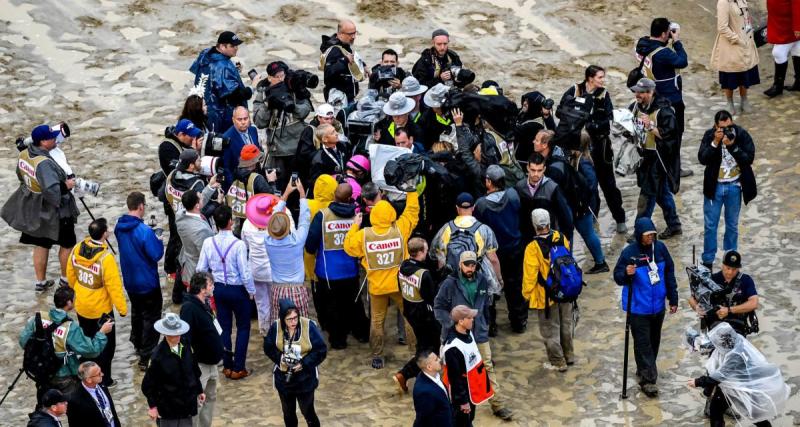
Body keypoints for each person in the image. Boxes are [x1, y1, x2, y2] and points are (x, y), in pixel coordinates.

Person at [343, 188, 420, 369]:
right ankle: (415, 352)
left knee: (377, 321)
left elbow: (348, 247)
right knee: (409, 318)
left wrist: (355, 224)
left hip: (377, 287)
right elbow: (412, 211)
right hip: (400, 285)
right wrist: (411, 192)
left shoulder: (364, 235)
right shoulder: (400, 229)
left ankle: (377, 355)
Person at [434, 252, 512, 421]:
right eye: (467, 265)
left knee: (487, 366)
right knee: (449, 373)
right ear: (460, 265)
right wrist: (451, 324)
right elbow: (438, 307)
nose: (471, 268)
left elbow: (484, 305)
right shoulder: (449, 283)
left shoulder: (482, 279)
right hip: (454, 335)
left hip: (478, 332)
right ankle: (444, 406)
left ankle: (497, 404)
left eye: (473, 265)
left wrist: (485, 324)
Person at [2, 124, 80, 291]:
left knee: (41, 243)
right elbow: (53, 193)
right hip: (54, 211)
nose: (56, 139)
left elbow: (20, 176)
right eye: (52, 137)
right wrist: (67, 184)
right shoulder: (44, 163)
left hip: (33, 208)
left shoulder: (24, 154)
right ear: (43, 142)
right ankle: (65, 281)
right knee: (67, 243)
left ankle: (41, 282)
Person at [613, 217, 679, 397]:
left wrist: (673, 298)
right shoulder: (629, 253)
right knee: (643, 344)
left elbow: (670, 274)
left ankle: (644, 368)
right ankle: (648, 380)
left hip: (658, 307)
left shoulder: (661, 249)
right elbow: (618, 277)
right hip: (637, 308)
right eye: (647, 235)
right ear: (639, 235)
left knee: (654, 341)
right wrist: (627, 273)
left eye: (652, 234)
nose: (650, 238)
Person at [560, 65, 626, 232]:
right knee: (588, 185)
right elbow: (560, 112)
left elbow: (609, 119)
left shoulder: (604, 94)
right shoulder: (574, 90)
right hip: (579, 149)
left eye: (603, 77)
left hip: (600, 146)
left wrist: (591, 124)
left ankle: (620, 219)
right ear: (590, 78)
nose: (603, 81)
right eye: (600, 77)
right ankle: (592, 222)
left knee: (609, 185)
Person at [19, 287, 111, 406]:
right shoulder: (70, 328)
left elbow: (23, 341)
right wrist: (102, 333)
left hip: (41, 371)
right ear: (69, 303)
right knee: (75, 406)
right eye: (74, 299)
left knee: (45, 405)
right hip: (63, 375)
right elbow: (91, 351)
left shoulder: (38, 318)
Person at [532, 130, 608, 272]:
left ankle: (570, 268)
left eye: (536, 140)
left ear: (545, 145)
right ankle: (598, 262)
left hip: (577, 205)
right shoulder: (558, 156)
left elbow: (588, 184)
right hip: (578, 203)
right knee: (586, 233)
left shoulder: (556, 166)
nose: (533, 142)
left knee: (575, 235)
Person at [687, 322, 789, 427]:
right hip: (731, 384)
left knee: (754, 416)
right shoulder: (736, 339)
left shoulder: (735, 355)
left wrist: (698, 382)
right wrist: (695, 340)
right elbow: (711, 345)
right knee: (716, 410)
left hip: (742, 387)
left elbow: (719, 376)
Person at [305, 183, 367, 349]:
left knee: (333, 307)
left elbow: (310, 245)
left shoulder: (322, 216)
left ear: (334, 196)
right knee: (354, 303)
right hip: (351, 270)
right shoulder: (357, 217)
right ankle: (361, 333)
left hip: (328, 271)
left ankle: (338, 340)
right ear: (349, 198)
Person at [66, 218, 127, 387]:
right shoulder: (106, 258)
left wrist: (76, 290)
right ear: (104, 234)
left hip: (82, 305)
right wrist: (122, 308)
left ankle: (86, 375)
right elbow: (114, 286)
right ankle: (104, 379)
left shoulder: (77, 248)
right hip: (101, 310)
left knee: (87, 343)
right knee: (107, 347)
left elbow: (70, 273)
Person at [196, 205, 255, 380]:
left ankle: (227, 365)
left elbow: (200, 269)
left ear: (215, 222)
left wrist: (208, 287)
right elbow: (244, 273)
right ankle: (239, 368)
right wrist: (251, 291)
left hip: (218, 290)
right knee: (243, 327)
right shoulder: (239, 245)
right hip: (238, 290)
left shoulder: (208, 242)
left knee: (224, 328)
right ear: (231, 221)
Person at [698, 111, 757, 269]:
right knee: (710, 226)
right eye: (723, 128)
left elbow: (749, 158)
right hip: (714, 187)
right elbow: (702, 158)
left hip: (734, 186)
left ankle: (730, 258)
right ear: (716, 126)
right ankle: (708, 261)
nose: (727, 130)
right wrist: (715, 142)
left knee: (732, 225)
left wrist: (733, 146)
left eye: (730, 126)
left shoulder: (741, 134)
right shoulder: (710, 135)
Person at [114, 191, 164, 370]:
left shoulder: (118, 226)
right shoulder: (144, 231)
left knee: (137, 312)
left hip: (130, 280)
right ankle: (147, 355)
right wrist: (157, 238)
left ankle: (136, 342)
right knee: (152, 316)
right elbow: (156, 254)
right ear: (141, 206)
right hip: (147, 281)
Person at [635, 17, 691, 177]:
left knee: (655, 130)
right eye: (668, 33)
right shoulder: (663, 53)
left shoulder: (642, 45)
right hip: (670, 99)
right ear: (663, 33)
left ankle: (658, 163)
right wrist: (677, 42)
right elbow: (682, 61)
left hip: (652, 96)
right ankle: (674, 169)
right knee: (674, 133)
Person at [474, 165, 527, 333]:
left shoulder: (481, 204)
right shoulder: (513, 195)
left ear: (489, 182)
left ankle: (491, 325)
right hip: (515, 248)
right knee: (515, 286)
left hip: (492, 253)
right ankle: (518, 322)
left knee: (490, 287)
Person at [522, 209, 575, 371]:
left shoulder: (532, 248)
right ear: (549, 222)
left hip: (545, 295)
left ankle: (558, 362)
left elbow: (530, 275)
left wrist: (526, 295)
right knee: (566, 324)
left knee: (549, 330)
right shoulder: (561, 238)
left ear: (534, 224)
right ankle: (569, 355)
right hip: (566, 291)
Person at [628, 78, 682, 239]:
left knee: (647, 194)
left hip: (658, 159)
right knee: (661, 194)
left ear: (650, 92)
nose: (636, 94)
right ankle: (674, 225)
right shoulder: (634, 107)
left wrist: (651, 126)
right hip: (642, 156)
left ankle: (640, 229)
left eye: (640, 92)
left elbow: (671, 137)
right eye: (636, 91)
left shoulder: (664, 111)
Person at [264, 299, 328, 427]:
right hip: (284, 379)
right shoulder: (276, 328)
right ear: (283, 319)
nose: (293, 322)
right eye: (289, 319)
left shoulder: (309, 326)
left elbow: (321, 350)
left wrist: (303, 363)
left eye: (295, 318)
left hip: (305, 378)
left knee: (308, 411)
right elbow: (268, 347)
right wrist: (280, 358)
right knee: (288, 413)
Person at [254, 61, 313, 189]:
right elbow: (259, 122)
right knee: (279, 184)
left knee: (299, 183)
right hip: (277, 149)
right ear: (269, 78)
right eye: (277, 76)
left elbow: (306, 110)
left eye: (282, 75)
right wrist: (268, 105)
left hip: (297, 146)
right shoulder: (264, 93)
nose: (281, 79)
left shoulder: (293, 87)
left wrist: (291, 106)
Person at [157, 119, 203, 284]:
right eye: (190, 137)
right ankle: (170, 268)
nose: (193, 139)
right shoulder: (167, 147)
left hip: (185, 195)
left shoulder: (184, 144)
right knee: (176, 234)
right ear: (181, 134)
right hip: (174, 198)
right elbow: (176, 172)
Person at [393, 237, 442, 392]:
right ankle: (405, 373)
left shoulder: (402, 267)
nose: (427, 253)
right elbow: (432, 297)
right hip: (424, 315)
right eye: (426, 250)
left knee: (423, 344)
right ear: (421, 252)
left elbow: (400, 288)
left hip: (410, 311)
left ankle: (414, 372)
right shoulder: (424, 274)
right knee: (431, 347)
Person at [141, 313, 206, 426]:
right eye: (172, 335)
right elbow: (147, 386)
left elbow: (194, 371)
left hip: (187, 406)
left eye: (178, 333)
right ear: (165, 334)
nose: (177, 337)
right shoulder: (157, 356)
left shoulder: (186, 345)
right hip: (168, 410)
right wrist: (153, 406)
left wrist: (199, 390)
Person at [180, 273, 224, 427]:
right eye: (211, 284)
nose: (213, 287)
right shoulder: (189, 308)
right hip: (200, 366)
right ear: (202, 289)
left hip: (212, 364)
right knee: (197, 402)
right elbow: (185, 340)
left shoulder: (204, 304)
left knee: (210, 399)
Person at [440, 305, 495, 426]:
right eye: (469, 317)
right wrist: (463, 401)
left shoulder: (468, 333)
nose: (473, 319)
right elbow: (455, 379)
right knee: (461, 422)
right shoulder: (452, 348)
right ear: (460, 321)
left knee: (469, 419)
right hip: (462, 393)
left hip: (471, 388)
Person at [265, 181, 311, 322]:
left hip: (277, 290)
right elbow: (304, 219)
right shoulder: (296, 241)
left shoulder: (268, 241)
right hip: (297, 290)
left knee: (279, 326)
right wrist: (302, 194)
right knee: (301, 326)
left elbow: (274, 218)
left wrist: (285, 195)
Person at [189, 31, 252, 133]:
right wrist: (251, 89)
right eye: (232, 46)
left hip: (201, 108)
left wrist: (233, 70)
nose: (236, 48)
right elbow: (234, 95)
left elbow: (210, 75)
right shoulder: (223, 66)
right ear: (222, 46)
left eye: (237, 45)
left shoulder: (205, 55)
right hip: (220, 116)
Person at [689, 250, 760, 336]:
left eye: (734, 269)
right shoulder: (711, 279)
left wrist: (729, 310)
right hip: (714, 326)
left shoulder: (746, 280)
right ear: (722, 265)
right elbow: (692, 298)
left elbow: (754, 303)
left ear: (739, 268)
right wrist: (696, 307)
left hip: (738, 326)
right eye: (728, 268)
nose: (730, 272)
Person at [710, 0, 760, 113]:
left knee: (745, 73)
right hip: (731, 46)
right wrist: (737, 39)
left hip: (746, 42)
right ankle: (729, 102)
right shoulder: (724, 2)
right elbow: (722, 27)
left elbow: (746, 19)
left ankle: (744, 100)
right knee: (729, 75)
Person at [242, 193, 280, 335]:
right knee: (275, 302)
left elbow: (245, 245)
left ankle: (265, 330)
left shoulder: (246, 225)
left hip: (255, 271)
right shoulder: (276, 225)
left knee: (261, 303)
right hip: (272, 272)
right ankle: (276, 330)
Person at [515, 153, 573, 246]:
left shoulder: (552, 188)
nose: (536, 174)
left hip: (550, 237)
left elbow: (565, 215)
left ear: (544, 169)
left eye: (539, 170)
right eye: (533, 170)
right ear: (528, 168)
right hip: (528, 239)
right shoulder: (520, 187)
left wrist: (567, 237)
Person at [226, 145, 277, 234]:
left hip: (239, 222)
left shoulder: (235, 174)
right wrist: (272, 182)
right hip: (255, 223)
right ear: (253, 163)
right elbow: (272, 199)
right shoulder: (257, 179)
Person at [295, 104, 346, 184]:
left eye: (331, 118)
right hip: (316, 168)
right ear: (319, 117)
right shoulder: (310, 131)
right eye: (326, 119)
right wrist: (323, 154)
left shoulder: (336, 126)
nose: (329, 121)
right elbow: (303, 154)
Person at [176, 189, 215, 292]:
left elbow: (200, 202)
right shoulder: (201, 231)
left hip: (186, 262)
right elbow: (207, 256)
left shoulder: (180, 214)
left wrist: (210, 187)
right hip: (196, 270)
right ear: (197, 205)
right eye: (200, 196)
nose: (203, 196)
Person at [320, 19, 365, 103]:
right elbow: (328, 72)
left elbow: (350, 60)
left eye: (355, 33)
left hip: (348, 98)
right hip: (339, 99)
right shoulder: (334, 50)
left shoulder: (345, 46)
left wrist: (363, 65)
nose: (354, 37)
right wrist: (344, 60)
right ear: (340, 34)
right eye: (350, 34)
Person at [763, 0, 800, 97]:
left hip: (788, 26)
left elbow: (797, 4)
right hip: (779, 23)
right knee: (797, 50)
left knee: (778, 52)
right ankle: (799, 82)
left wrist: (797, 26)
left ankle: (778, 86)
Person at [66, 362, 120, 427]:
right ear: (89, 380)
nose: (102, 374)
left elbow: (112, 410)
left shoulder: (101, 383)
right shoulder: (74, 400)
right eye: (98, 374)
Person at [221, 106, 261, 188]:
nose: (243, 122)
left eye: (245, 119)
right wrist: (234, 186)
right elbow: (226, 167)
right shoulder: (226, 137)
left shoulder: (253, 130)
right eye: (239, 119)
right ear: (233, 120)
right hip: (239, 182)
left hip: (256, 178)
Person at [412, 350, 452, 427]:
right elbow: (424, 420)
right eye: (436, 359)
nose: (440, 360)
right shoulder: (424, 393)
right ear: (429, 367)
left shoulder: (432, 375)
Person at [420, 83, 455, 148]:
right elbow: (426, 142)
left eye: (441, 107)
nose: (439, 110)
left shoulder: (454, 110)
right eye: (436, 108)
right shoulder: (425, 119)